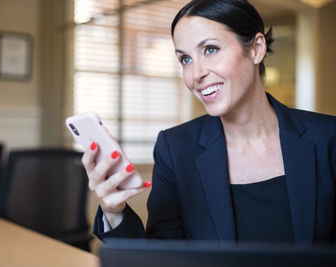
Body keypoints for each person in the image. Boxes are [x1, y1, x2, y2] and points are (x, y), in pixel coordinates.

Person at [81, 0, 336, 243]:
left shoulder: (328, 138)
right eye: (186, 59)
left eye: (210, 49)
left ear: (257, 48)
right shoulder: (176, 149)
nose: (196, 74)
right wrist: (114, 213)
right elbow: (165, 259)